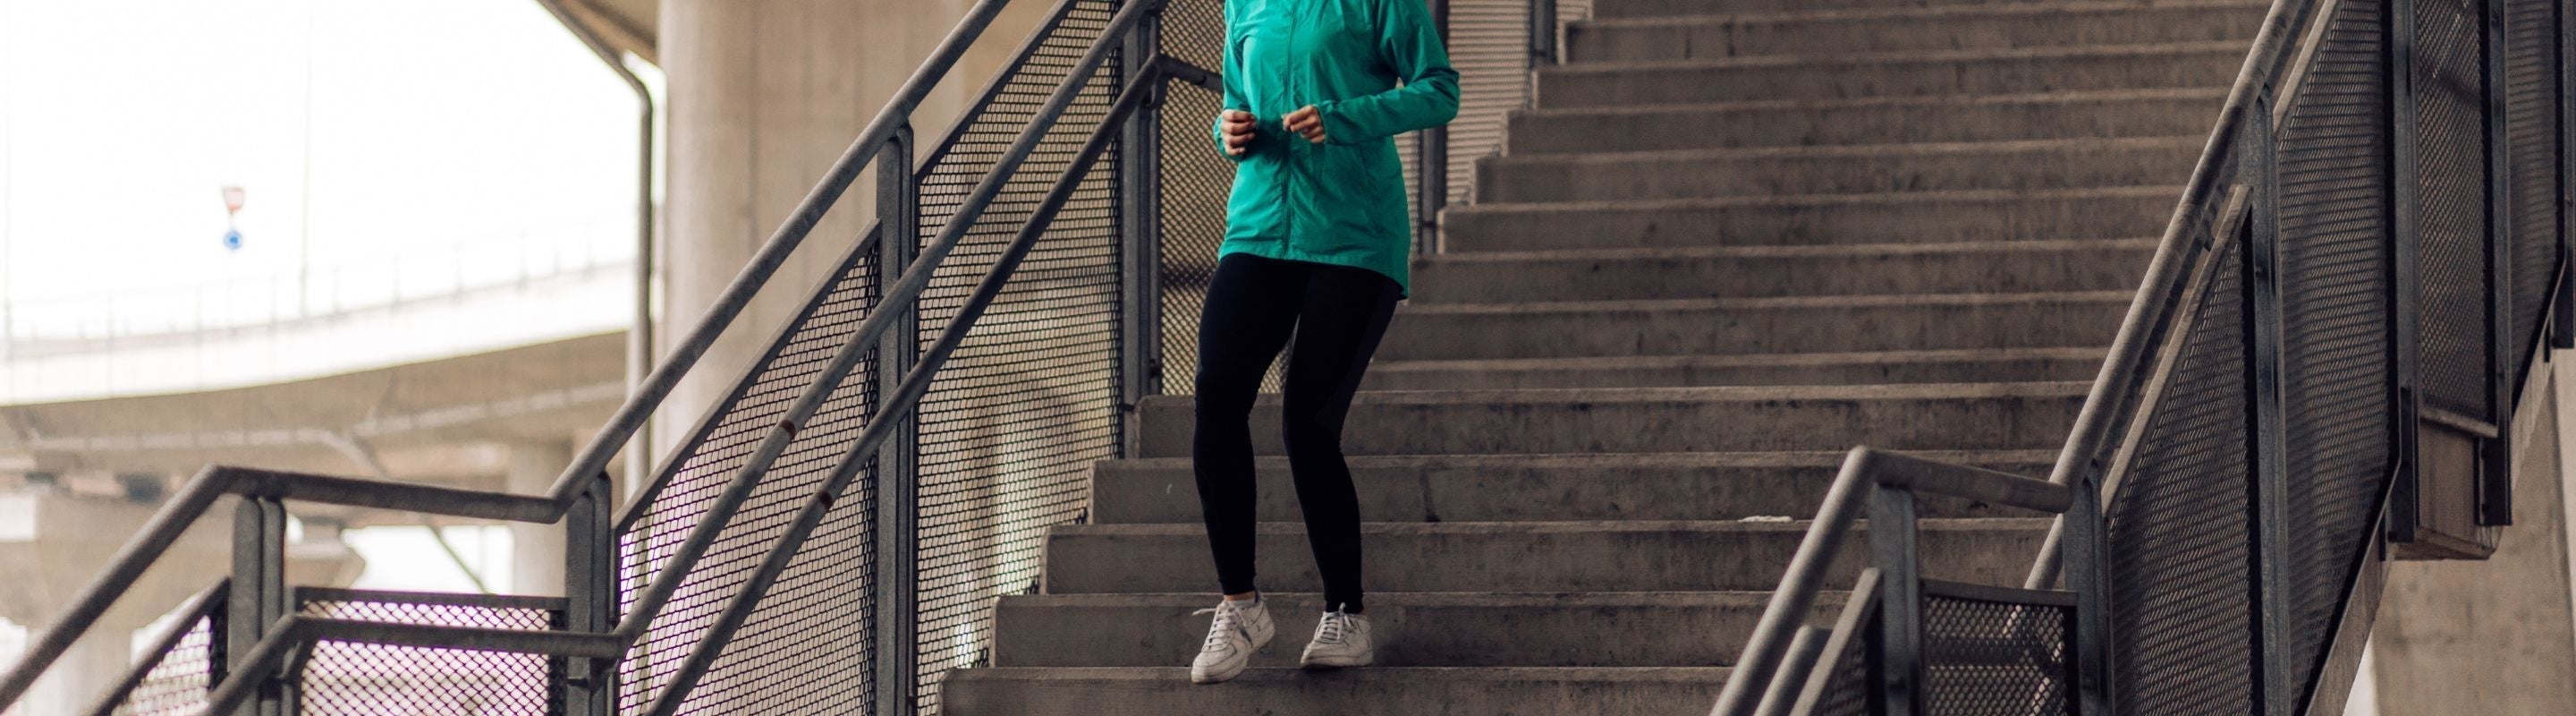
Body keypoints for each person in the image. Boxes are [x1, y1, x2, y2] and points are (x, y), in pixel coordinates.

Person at [1187, 0, 1459, 686]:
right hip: (1259, 224)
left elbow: (1439, 90)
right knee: (1217, 394)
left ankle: (1346, 613)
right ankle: (1240, 605)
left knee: (1307, 424)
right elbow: (1234, 99)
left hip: (1354, 234)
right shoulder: (1245, 3)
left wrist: (1344, 118)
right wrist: (1228, 130)